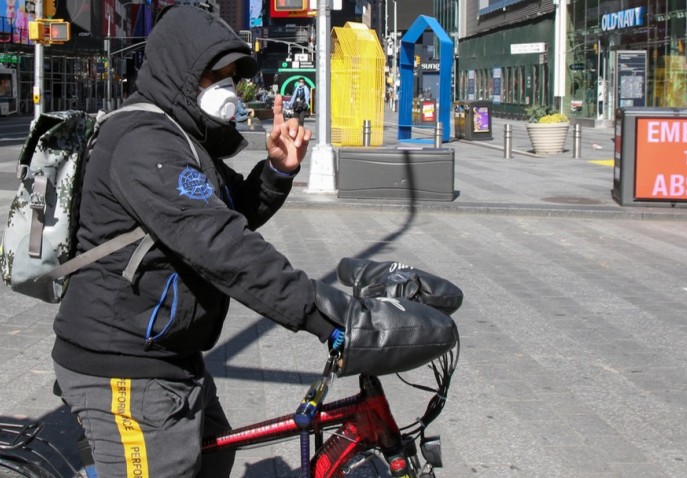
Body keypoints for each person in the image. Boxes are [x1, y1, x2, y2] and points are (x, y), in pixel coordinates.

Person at [50, 6, 453, 477]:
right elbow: (221, 244)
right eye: (213, 76)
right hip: (123, 366)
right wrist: (329, 315)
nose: (225, 88)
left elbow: (222, 214)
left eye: (229, 77)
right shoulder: (144, 141)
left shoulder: (180, 135)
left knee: (215, 458)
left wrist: (276, 172)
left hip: (170, 353)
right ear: (179, 71)